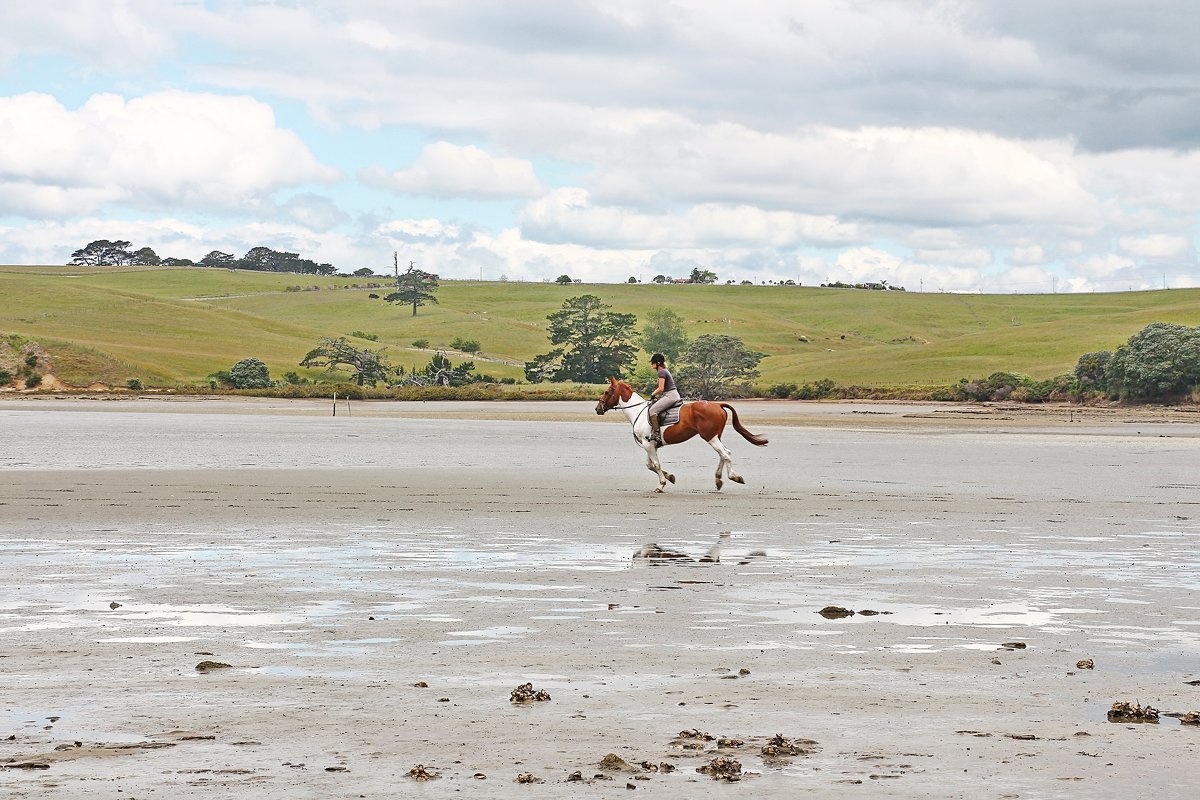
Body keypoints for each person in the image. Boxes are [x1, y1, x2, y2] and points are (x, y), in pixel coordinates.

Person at [646, 353, 680, 445]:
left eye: (652, 363)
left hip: (670, 396)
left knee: (652, 411)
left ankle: (657, 434)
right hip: (670, 394)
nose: (651, 364)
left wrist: (652, 394)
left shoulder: (661, 372)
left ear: (657, 363)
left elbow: (660, 389)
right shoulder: (664, 370)